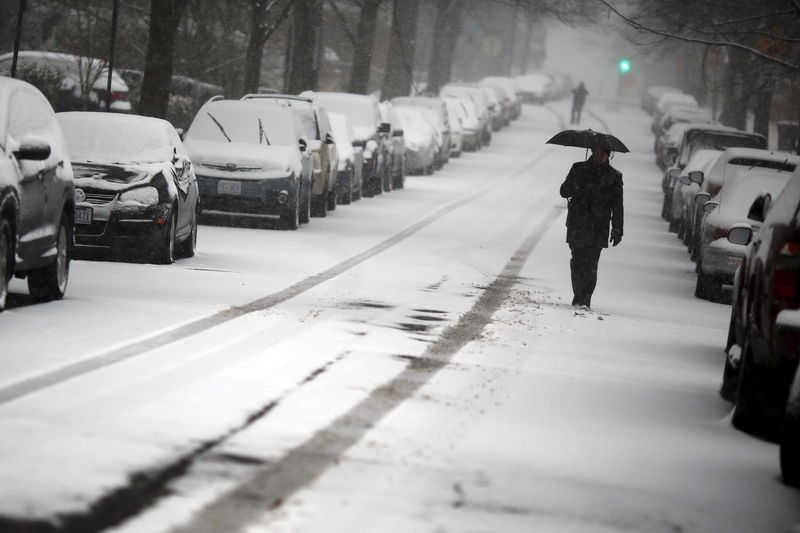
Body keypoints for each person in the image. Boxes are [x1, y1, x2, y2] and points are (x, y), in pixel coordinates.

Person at [559, 142, 624, 309]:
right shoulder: (578, 168)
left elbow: (617, 205)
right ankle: (578, 295)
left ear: (608, 155)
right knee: (577, 260)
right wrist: (576, 185)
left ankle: (585, 298)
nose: (599, 156)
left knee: (591, 264)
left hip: (599, 225)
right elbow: (563, 191)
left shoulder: (614, 176)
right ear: (592, 152)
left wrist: (617, 228)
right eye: (597, 152)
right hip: (577, 223)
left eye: (603, 153)